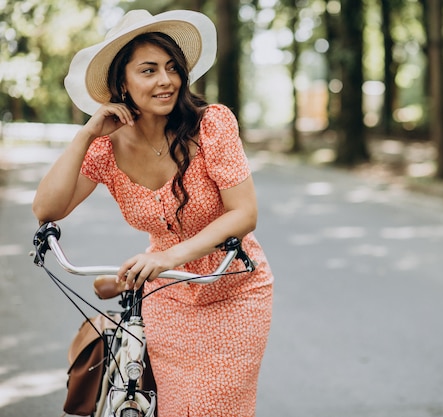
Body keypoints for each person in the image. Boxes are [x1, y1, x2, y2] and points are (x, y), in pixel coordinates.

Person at [32, 9, 273, 417]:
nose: (166, 81)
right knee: (176, 408)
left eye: (172, 68)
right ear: (121, 83)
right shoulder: (105, 149)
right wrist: (87, 134)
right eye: (148, 70)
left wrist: (165, 257)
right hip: (167, 299)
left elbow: (243, 213)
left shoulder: (211, 125)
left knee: (219, 407)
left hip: (234, 288)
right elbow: (47, 208)